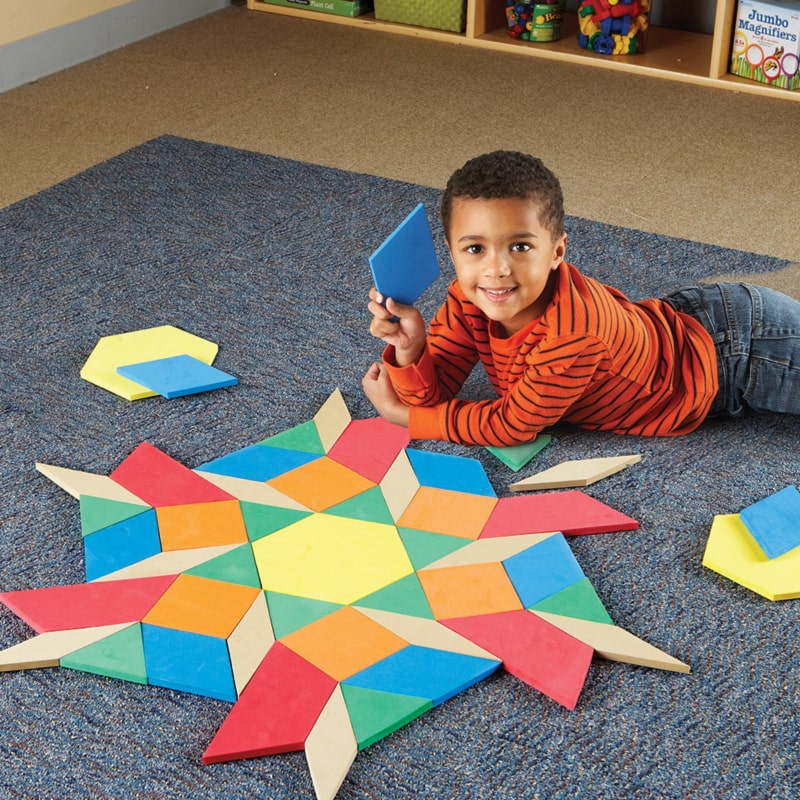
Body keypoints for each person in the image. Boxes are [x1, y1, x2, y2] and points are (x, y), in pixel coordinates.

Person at [362, 150, 800, 447]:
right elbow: (435, 397)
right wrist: (411, 349)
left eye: (520, 246)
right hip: (686, 322)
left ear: (557, 251)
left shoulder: (573, 336)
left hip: (739, 355)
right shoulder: (468, 297)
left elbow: (512, 424)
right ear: (453, 252)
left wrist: (402, 417)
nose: (495, 269)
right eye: (475, 249)